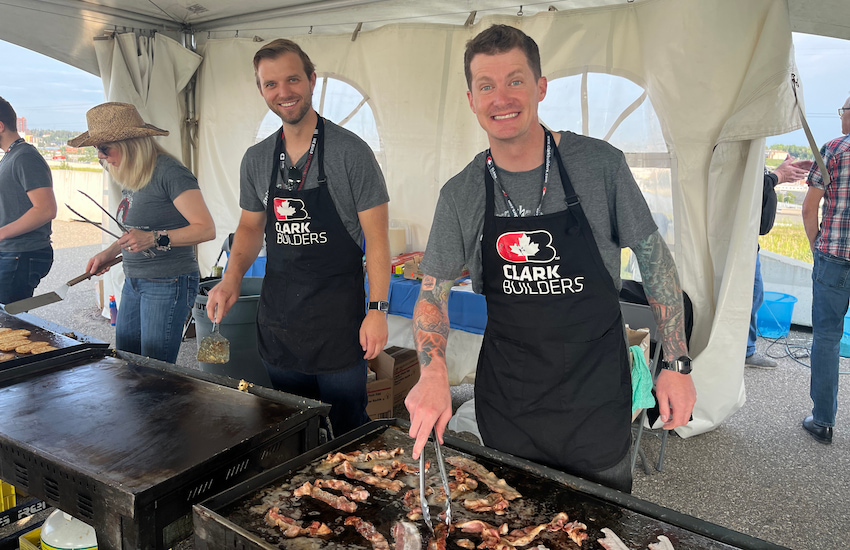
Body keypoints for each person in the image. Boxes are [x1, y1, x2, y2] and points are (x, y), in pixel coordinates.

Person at [405, 25, 695, 493]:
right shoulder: (461, 194)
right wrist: (434, 370)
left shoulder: (600, 166)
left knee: (600, 529)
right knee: (511, 526)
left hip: (596, 398)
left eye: (515, 80)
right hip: (509, 401)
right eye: (486, 86)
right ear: (470, 98)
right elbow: (432, 292)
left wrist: (676, 363)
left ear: (540, 87)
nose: (501, 97)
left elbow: (655, 261)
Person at [205, 39, 390, 436]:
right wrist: (231, 278)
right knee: (293, 426)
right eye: (271, 84)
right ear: (261, 90)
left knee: (347, 428)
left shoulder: (351, 153)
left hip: (339, 324)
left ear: (311, 80)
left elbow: (377, 239)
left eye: (292, 79)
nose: (283, 92)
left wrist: (377, 308)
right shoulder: (256, 159)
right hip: (280, 322)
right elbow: (252, 226)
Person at [69, 102, 216, 364]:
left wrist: (155, 238)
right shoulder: (132, 174)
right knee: (125, 361)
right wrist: (109, 252)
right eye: (96, 149)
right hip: (134, 280)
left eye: (104, 148)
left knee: (154, 369)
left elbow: (205, 229)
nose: (101, 156)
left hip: (168, 282)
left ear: (130, 143)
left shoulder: (169, 172)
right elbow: (135, 231)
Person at [800, 94, 850, 445]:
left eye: (842, 111)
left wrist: (818, 246)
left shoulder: (833, 150)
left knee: (828, 338)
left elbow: (809, 209)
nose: (840, 117)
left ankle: (823, 422)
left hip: (834, 257)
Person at [746, 155, 812, 369]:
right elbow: (745, 188)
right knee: (750, 296)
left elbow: (757, 183)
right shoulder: (735, 148)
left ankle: (745, 350)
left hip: (747, 242)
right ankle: (744, 351)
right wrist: (778, 176)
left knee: (754, 296)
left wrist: (778, 173)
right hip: (739, 244)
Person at [0, 96, 56, 305]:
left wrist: (1, 233)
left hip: (21, 255)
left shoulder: (25, 156)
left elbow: (46, 209)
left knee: (10, 326)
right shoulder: (10, 156)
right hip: (12, 253)